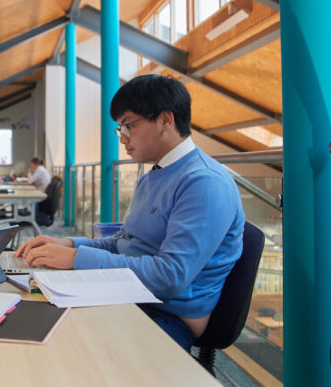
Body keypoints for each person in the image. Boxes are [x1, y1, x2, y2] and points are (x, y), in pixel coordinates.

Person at [15, 74, 244, 350]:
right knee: (36, 315)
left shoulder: (204, 183)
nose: (123, 139)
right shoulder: (154, 175)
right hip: (132, 294)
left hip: (168, 314)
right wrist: (68, 243)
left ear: (165, 120)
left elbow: (170, 276)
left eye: (128, 126)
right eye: (120, 129)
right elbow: (124, 243)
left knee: (65, 345)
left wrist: (76, 258)